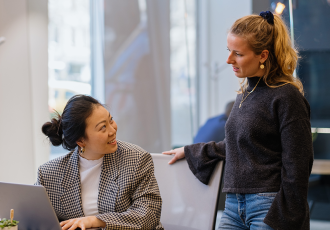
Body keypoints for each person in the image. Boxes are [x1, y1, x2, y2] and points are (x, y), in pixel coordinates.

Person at [163, 11, 313, 230]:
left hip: (268, 205)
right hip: (234, 205)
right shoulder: (245, 94)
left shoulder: (287, 97)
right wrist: (190, 151)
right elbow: (240, 145)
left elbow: (298, 164)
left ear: (262, 55)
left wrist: (284, 216)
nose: (228, 60)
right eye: (228, 51)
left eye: (238, 54)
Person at [36, 95, 164, 230]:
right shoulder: (48, 174)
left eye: (111, 120)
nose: (113, 130)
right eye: (103, 127)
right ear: (81, 141)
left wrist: (96, 220)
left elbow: (149, 215)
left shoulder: (137, 159)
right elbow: (35, 217)